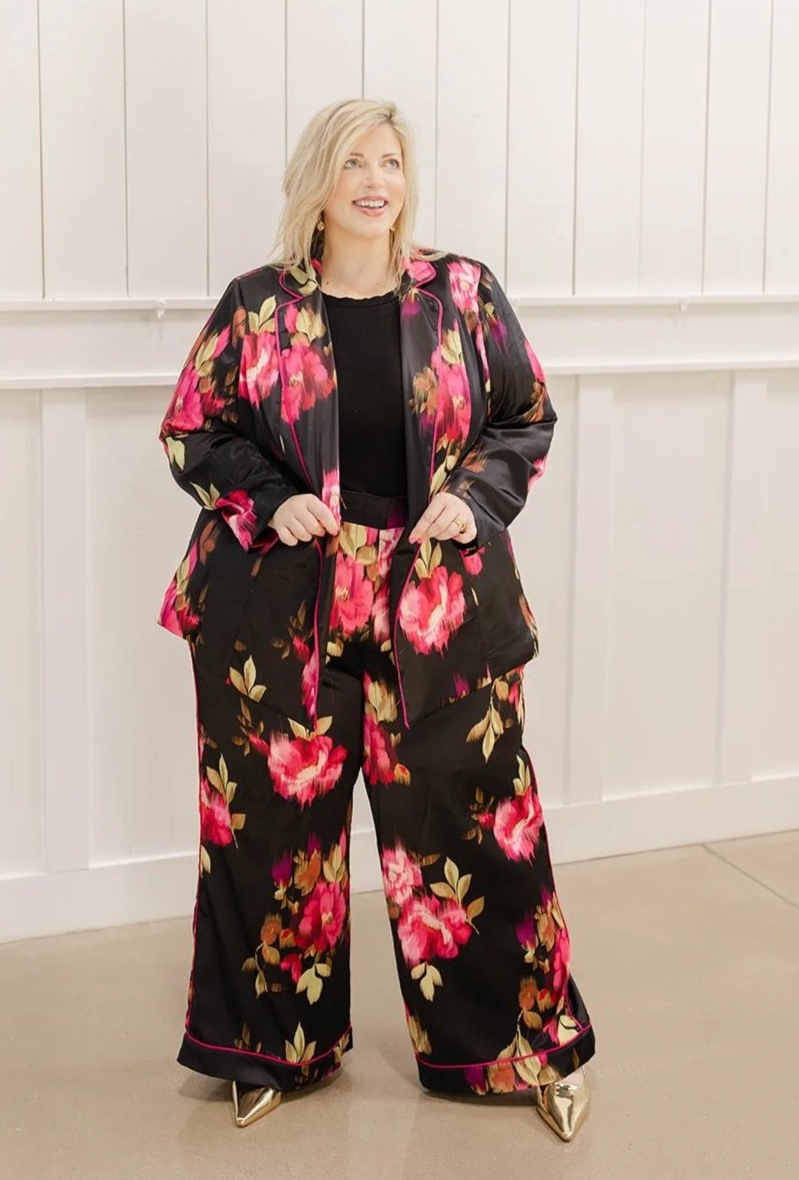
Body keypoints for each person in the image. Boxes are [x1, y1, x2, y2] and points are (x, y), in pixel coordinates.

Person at [156, 98, 596, 1139]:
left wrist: (476, 494)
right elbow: (192, 429)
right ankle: (266, 1047)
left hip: (437, 605)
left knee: (478, 825)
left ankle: (517, 1047)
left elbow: (524, 414)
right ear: (320, 179)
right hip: (281, 609)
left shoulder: (464, 294)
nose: (374, 179)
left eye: (390, 161)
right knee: (268, 834)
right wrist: (268, 494)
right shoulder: (256, 307)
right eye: (353, 159)